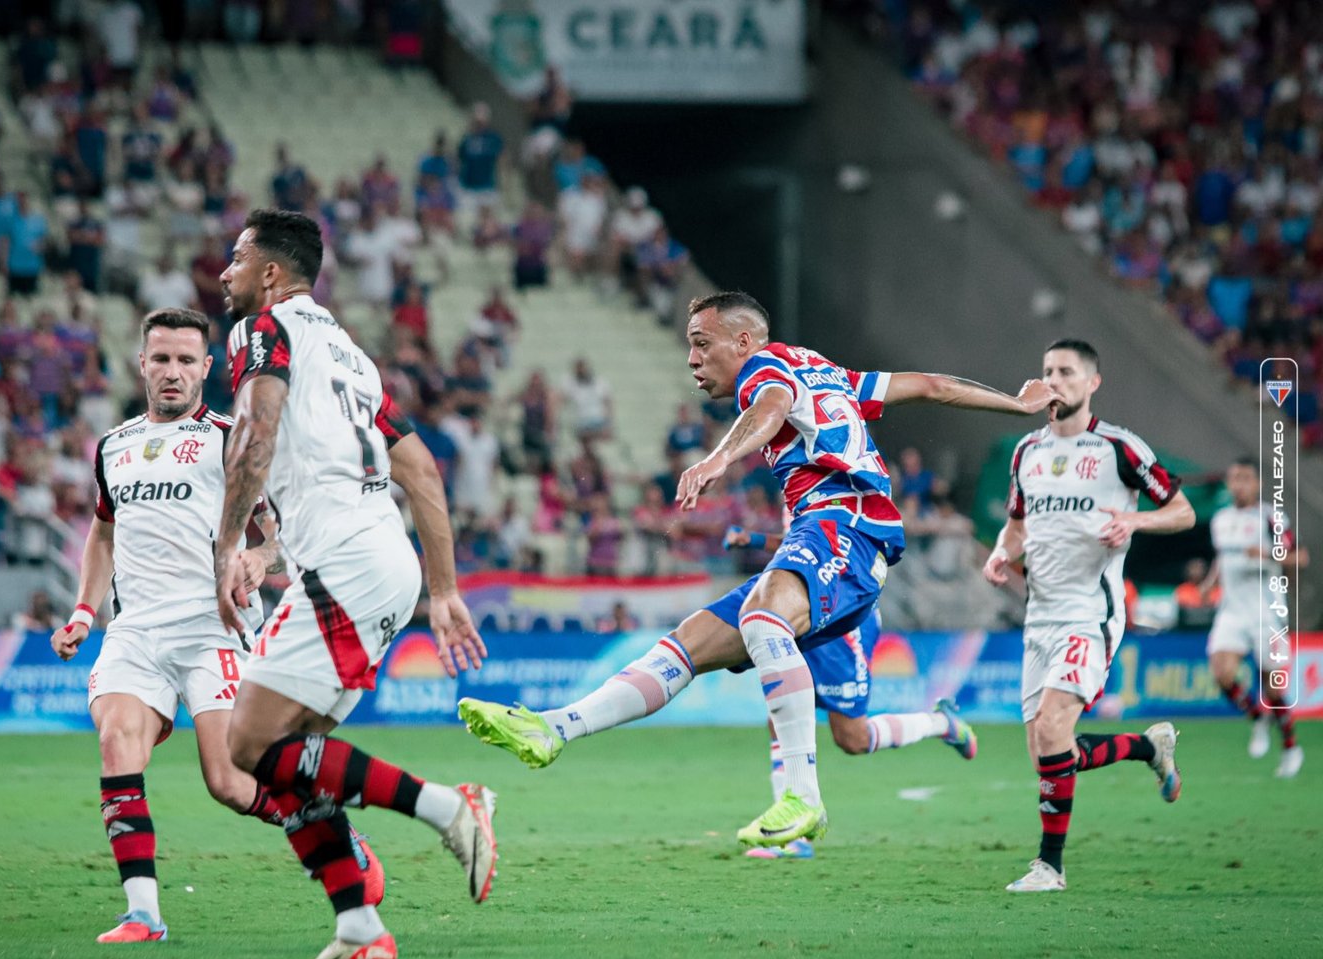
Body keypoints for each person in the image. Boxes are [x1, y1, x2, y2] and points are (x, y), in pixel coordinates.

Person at [458, 291, 1056, 850]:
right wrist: (1017, 402)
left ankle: (802, 796)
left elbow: (770, 407)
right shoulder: (826, 371)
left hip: (846, 524)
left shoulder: (764, 372)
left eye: (701, 343)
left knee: (767, 622)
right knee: (687, 644)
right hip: (820, 534)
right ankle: (555, 729)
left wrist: (717, 459)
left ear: (743, 343)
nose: (692, 359)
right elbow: (928, 384)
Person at [213, 209, 494, 959]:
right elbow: (423, 471)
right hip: (377, 559)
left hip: (346, 563)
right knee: (287, 760)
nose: (224, 274)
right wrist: (441, 589)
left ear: (271, 274)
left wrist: (228, 544)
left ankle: (450, 806)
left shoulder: (262, 331)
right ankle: (360, 925)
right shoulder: (353, 358)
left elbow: (255, 436)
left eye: (236, 260)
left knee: (247, 744)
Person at [51, 306, 357, 945]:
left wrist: (258, 556)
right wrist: (85, 611)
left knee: (228, 780)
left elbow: (283, 531)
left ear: (206, 368)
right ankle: (143, 916)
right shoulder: (114, 446)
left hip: (212, 625)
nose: (172, 372)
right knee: (116, 745)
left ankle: (329, 828)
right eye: (160, 359)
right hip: (135, 632)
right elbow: (102, 535)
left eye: (186, 361)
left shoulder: (228, 439)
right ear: (142, 364)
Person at [983, 339, 1195, 893]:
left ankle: (1049, 867)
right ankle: (1150, 747)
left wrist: (1135, 524)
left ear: (1092, 382)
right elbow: (1017, 523)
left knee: (1054, 729)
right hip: (1040, 618)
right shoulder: (1026, 450)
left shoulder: (1119, 449)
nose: (1055, 380)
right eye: (1048, 370)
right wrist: (1001, 552)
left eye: (1068, 372)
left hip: (1091, 613)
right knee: (1049, 753)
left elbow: (1182, 510)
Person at [719, 524, 974, 861]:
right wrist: (751, 540)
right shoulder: (798, 487)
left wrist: (752, 539)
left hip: (841, 617)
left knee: (852, 738)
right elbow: (795, 545)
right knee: (780, 714)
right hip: (806, 608)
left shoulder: (838, 486)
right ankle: (793, 835)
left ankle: (941, 723)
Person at [1202, 458, 1305, 777]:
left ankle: (1290, 747)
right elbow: (1223, 556)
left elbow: (1300, 557)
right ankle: (1256, 716)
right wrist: (1209, 582)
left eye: (1246, 478)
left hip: (1265, 611)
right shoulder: (1220, 519)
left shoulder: (1271, 517)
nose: (1239, 484)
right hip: (1231, 610)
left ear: (1258, 483)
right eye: (1234, 478)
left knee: (1272, 687)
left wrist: (1267, 554)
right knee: (1222, 673)